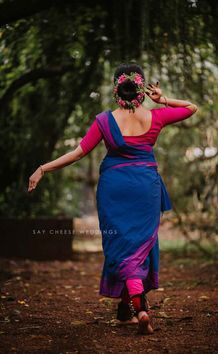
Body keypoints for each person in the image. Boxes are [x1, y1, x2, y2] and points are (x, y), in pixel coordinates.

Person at [28, 63, 197, 335]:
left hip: (114, 188)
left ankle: (138, 307)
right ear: (141, 88)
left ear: (116, 87)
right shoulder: (156, 116)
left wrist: (43, 168)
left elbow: (78, 152)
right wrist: (162, 99)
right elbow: (191, 108)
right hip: (145, 187)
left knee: (121, 246)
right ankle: (131, 307)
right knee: (141, 245)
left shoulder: (105, 120)